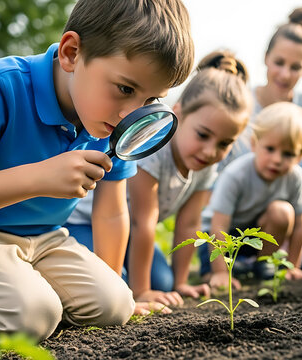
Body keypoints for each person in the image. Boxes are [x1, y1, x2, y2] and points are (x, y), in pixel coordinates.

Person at [0, 0, 194, 344]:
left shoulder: (113, 123)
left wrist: (118, 293)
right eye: (125, 89)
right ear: (71, 52)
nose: (132, 114)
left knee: (114, 305)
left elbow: (111, 211)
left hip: (45, 239)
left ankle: (28, 291)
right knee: (31, 317)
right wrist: (38, 177)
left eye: (150, 100)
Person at [65, 50, 252, 309]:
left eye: (224, 143)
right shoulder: (154, 150)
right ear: (179, 113)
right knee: (120, 283)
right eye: (202, 135)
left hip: (130, 233)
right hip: (88, 223)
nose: (210, 151)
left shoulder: (205, 165)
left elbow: (189, 225)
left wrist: (181, 282)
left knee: (164, 283)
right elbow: (144, 222)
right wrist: (142, 291)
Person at [219, 6, 302, 270]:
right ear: (266, 58)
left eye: (295, 67)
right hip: (235, 212)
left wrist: (280, 221)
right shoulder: (240, 100)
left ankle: (258, 263)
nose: (284, 74)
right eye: (279, 63)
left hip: (284, 211)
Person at [201, 102, 302, 289]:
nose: (277, 160)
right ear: (254, 144)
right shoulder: (236, 174)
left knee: (283, 212)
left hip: (256, 236)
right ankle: (219, 270)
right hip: (220, 237)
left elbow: (299, 226)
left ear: (300, 156)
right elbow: (218, 225)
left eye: (288, 154)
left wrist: (292, 267)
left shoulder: (295, 177)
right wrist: (221, 272)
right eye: (270, 149)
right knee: (214, 276)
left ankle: (263, 265)